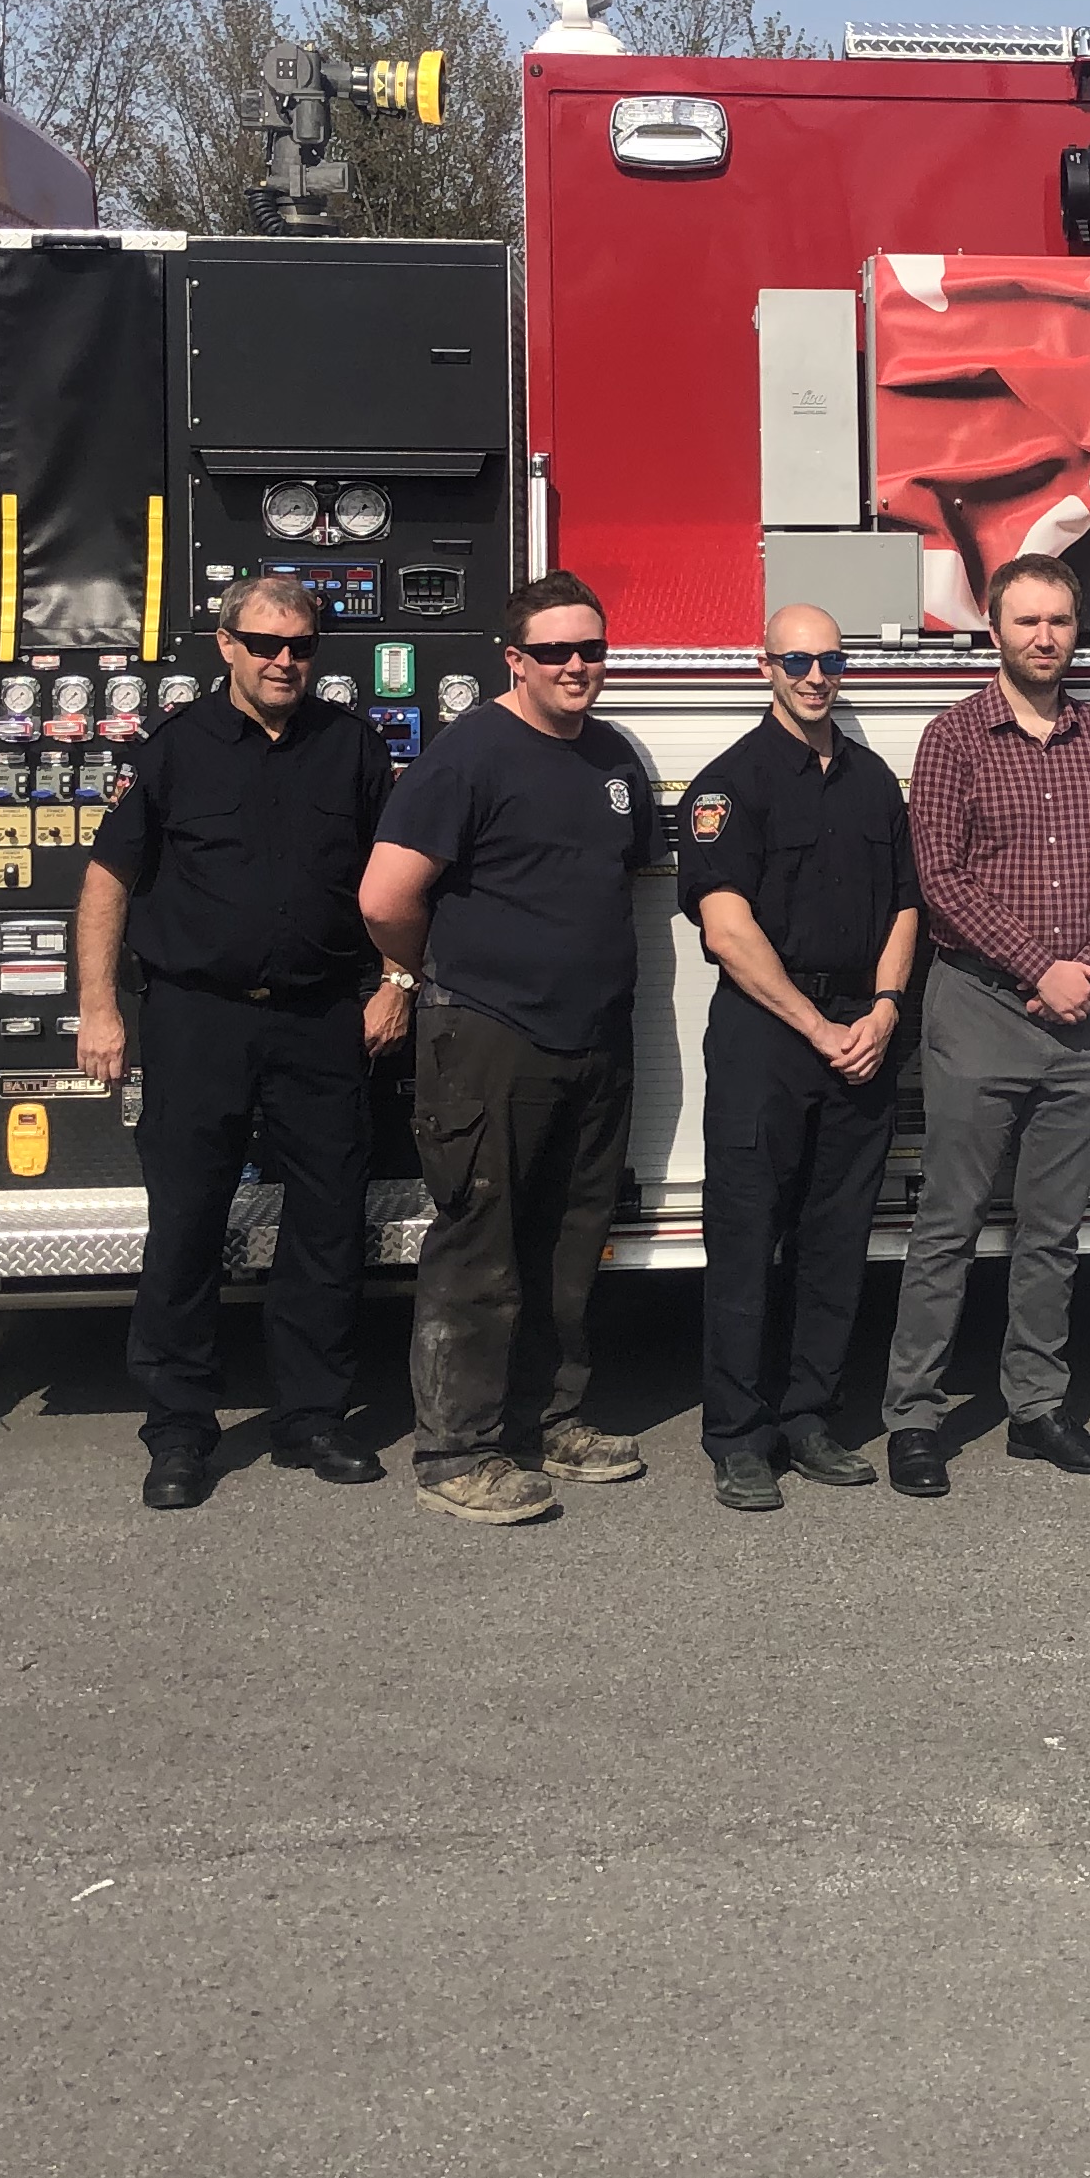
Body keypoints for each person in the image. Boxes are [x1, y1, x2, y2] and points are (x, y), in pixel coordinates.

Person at [76, 572, 410, 1513]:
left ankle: (312, 1414)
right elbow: (108, 881)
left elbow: (395, 884)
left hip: (318, 1019)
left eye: (299, 646)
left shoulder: (351, 750)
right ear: (225, 645)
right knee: (186, 1221)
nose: (282, 661)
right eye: (263, 643)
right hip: (197, 1018)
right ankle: (179, 1428)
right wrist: (99, 1009)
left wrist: (397, 981)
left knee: (327, 1221)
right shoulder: (174, 751)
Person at [361, 571, 662, 1527]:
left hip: (593, 1039)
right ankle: (458, 1451)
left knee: (571, 1243)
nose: (579, 667)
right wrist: (417, 977)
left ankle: (549, 1421)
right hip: (488, 1034)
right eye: (557, 653)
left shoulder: (614, 758)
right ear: (515, 659)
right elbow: (383, 898)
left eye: (592, 650)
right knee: (479, 1249)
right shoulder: (468, 755)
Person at [884, 554, 1090, 1495]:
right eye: (1027, 621)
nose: (1045, 637)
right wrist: (1041, 967)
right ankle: (914, 1417)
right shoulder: (954, 739)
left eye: (1060, 622)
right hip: (977, 1011)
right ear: (993, 631)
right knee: (947, 1226)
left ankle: (1036, 1407)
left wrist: (1083, 974)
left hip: (1082, 1023)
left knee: (1052, 1231)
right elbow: (942, 880)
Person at [674, 603, 920, 1513]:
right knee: (744, 1240)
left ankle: (811, 1417)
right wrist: (817, 1030)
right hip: (766, 1037)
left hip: (864, 1026)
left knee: (836, 1239)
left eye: (830, 660)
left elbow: (906, 906)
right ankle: (737, 1436)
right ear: (765, 667)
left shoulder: (870, 782)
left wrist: (887, 1007)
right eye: (798, 660)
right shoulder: (727, 786)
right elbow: (727, 930)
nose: (817, 676)